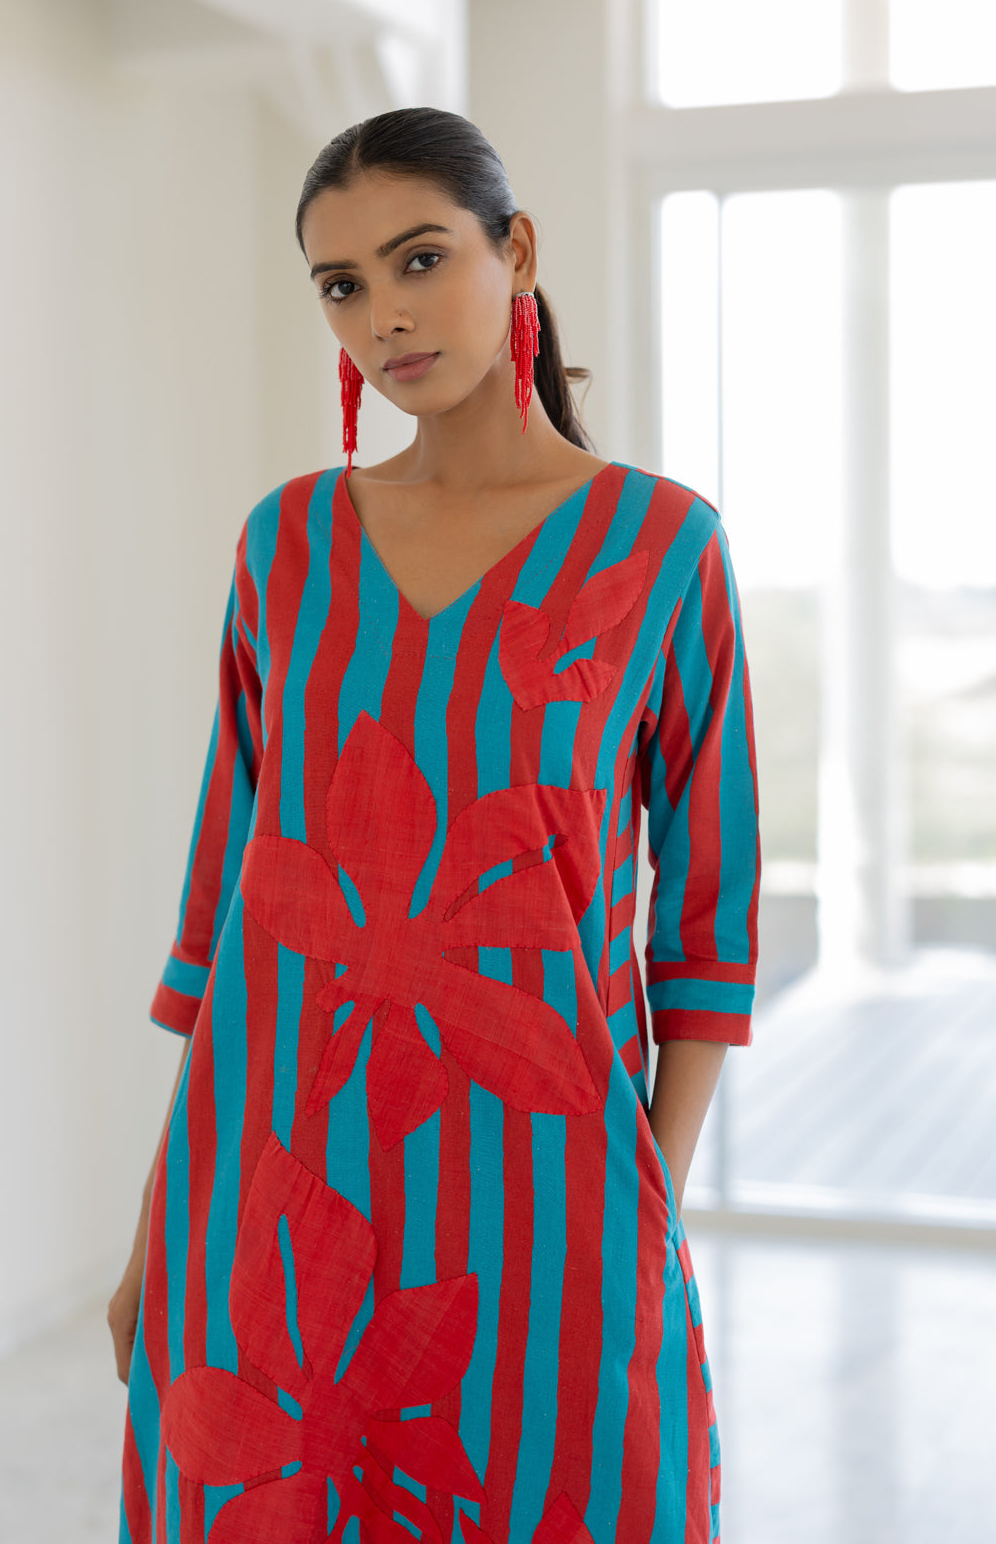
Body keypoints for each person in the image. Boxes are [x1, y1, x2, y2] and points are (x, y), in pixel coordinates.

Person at [108, 106, 759, 1544]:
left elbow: (709, 932)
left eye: (419, 260)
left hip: (554, 1202)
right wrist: (162, 1220)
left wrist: (646, 1214)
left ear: (514, 252)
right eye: (342, 285)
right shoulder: (285, 547)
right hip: (268, 1198)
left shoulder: (663, 551)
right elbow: (230, 917)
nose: (383, 317)